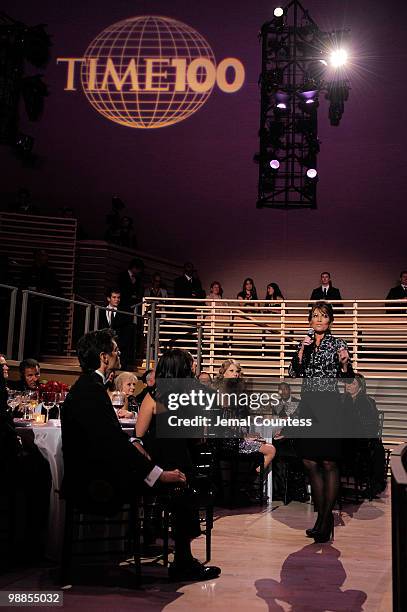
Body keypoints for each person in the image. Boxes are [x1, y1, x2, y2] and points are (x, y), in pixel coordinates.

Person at [61, 330, 221, 581]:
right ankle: (182, 561)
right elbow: (114, 445)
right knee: (183, 484)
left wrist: (135, 443)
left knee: (183, 477)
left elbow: (118, 439)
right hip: (96, 480)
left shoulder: (88, 387)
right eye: (115, 350)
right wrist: (157, 474)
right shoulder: (91, 391)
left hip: (104, 469)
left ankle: (183, 559)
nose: (119, 353)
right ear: (104, 357)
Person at [289, 301, 353, 543]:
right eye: (315, 315)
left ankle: (324, 522)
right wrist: (302, 352)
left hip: (329, 405)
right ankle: (322, 520)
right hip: (308, 404)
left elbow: (348, 379)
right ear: (310, 320)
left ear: (330, 320)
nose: (318, 319)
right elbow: (294, 372)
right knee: (309, 460)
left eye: (323, 316)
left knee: (328, 462)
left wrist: (345, 363)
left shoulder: (338, 343)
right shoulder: (303, 343)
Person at [215, 359, 275, 472]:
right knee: (270, 450)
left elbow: (238, 422)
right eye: (231, 371)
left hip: (233, 440)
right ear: (223, 373)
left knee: (264, 442)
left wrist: (246, 435)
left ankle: (249, 480)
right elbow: (227, 424)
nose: (235, 374)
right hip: (227, 443)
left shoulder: (235, 393)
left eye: (237, 371)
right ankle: (251, 478)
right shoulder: (221, 393)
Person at [343, 374, 386, 496]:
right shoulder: (341, 401)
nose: (349, 386)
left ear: (360, 387)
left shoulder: (368, 402)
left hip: (362, 441)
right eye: (347, 383)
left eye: (353, 383)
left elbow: (371, 426)